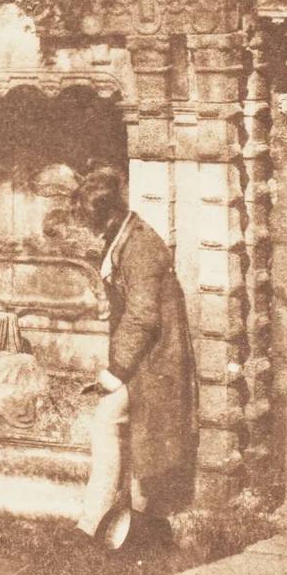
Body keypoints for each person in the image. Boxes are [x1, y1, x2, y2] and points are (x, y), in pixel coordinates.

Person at [74, 167, 198, 550]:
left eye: (94, 222)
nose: (93, 230)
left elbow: (143, 317)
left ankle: (98, 527)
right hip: (144, 362)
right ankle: (117, 527)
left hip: (155, 364)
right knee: (123, 433)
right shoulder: (126, 239)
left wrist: (116, 371)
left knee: (112, 426)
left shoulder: (140, 246)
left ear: (108, 215)